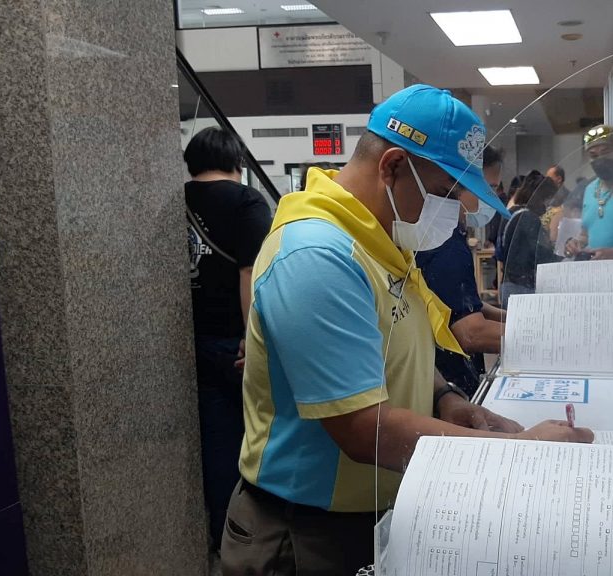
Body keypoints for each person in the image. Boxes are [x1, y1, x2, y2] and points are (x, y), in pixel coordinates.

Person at [221, 85, 592, 576]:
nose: (456, 214)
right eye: (446, 193)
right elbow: (361, 428)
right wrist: (520, 451)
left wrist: (445, 398)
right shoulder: (317, 257)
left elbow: (395, 347)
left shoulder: (380, 243)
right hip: (306, 534)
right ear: (393, 166)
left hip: (373, 510)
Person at [183, 127, 273, 552]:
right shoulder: (245, 201)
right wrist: (252, 340)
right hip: (233, 345)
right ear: (236, 161)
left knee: (216, 446)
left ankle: (223, 537)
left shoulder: (177, 200)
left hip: (190, 341)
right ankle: (255, 539)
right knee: (256, 442)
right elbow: (249, 273)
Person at [417, 145, 507, 396]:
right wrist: (544, 339)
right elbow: (470, 333)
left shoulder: (448, 234)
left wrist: (513, 318)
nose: (492, 198)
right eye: (488, 189)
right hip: (450, 381)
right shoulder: (444, 243)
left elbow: (460, 303)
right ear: (458, 184)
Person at [565, 125, 613, 282]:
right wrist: (576, 243)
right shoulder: (590, 190)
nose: (599, 159)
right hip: (600, 285)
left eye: (605, 152)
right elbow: (585, 234)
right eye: (593, 155)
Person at [496, 172, 564, 307]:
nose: (548, 206)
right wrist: (564, 260)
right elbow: (539, 254)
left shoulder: (511, 212)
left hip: (507, 284)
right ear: (541, 198)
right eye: (548, 200)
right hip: (522, 287)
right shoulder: (529, 219)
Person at [543, 164, 570, 243]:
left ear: (559, 179)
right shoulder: (547, 196)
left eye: (549, 178)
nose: (546, 182)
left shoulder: (567, 197)